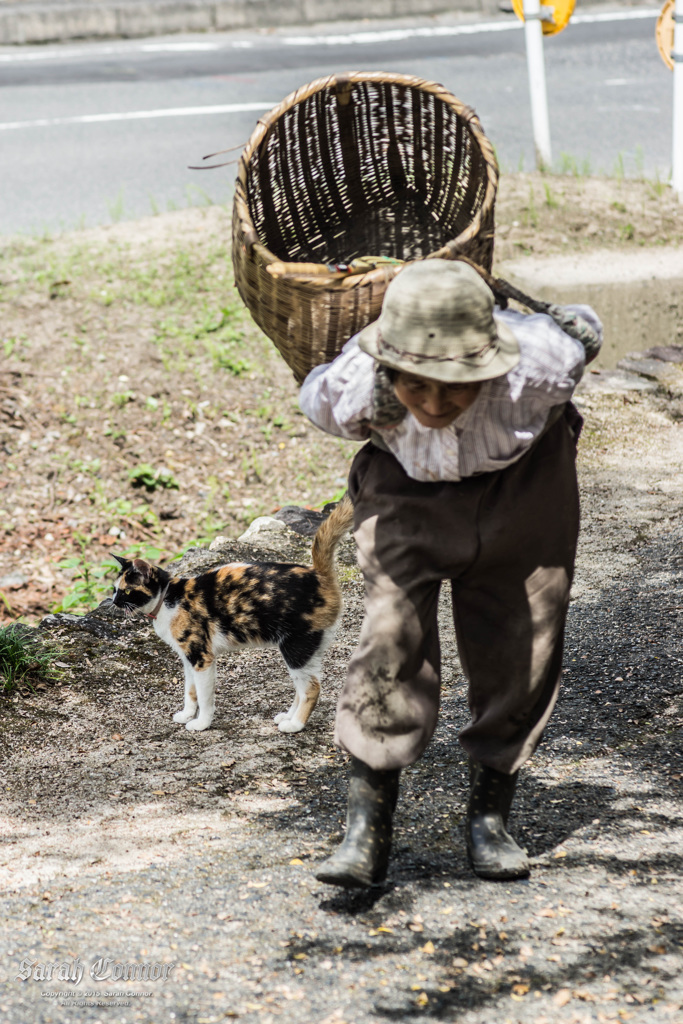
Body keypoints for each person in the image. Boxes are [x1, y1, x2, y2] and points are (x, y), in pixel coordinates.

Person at [299, 258, 603, 888]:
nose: (435, 402)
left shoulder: (540, 366)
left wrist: (555, 319)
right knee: (390, 634)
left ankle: (490, 817)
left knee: (523, 642)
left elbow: (584, 333)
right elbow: (313, 394)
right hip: (406, 493)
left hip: (524, 491)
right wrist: (385, 401)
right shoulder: (353, 388)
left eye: (457, 385)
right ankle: (366, 832)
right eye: (416, 385)